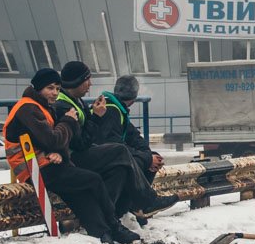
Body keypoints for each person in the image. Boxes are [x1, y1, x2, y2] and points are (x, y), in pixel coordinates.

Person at [2, 68, 139, 244]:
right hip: (35, 170)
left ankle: (102, 234)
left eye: (58, 89)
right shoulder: (28, 108)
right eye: (50, 88)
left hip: (46, 165)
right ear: (38, 88)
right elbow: (52, 139)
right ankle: (114, 227)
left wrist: (57, 152)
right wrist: (68, 121)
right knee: (93, 180)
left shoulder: (42, 107)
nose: (54, 93)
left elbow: (52, 142)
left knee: (82, 195)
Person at [53, 61, 176, 220]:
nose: (90, 84)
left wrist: (147, 153)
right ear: (76, 81)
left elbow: (134, 137)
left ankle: (120, 214)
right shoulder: (66, 106)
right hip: (74, 158)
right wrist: (96, 117)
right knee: (125, 155)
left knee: (132, 161)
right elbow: (82, 143)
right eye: (87, 80)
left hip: (85, 153)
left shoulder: (80, 102)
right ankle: (144, 203)